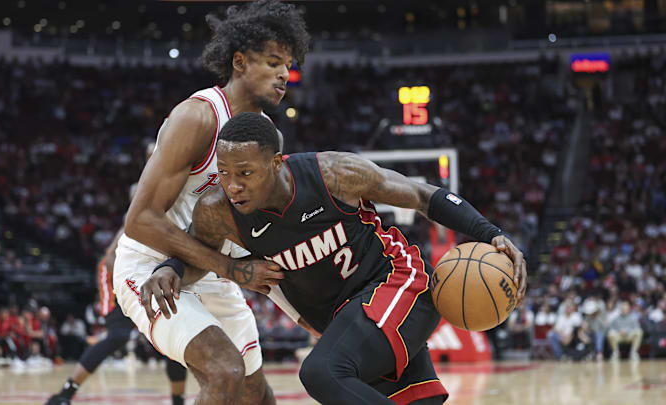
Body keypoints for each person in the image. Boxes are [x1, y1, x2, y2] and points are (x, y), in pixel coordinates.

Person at [141, 112, 527, 404]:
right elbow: (194, 251)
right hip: (346, 317)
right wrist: (170, 268)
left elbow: (423, 197)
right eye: (224, 173)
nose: (233, 184)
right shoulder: (217, 210)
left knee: (323, 372)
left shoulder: (333, 174)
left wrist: (491, 233)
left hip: (396, 283)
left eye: (245, 172)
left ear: (276, 163)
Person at [112, 1, 310, 404]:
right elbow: (139, 220)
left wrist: (309, 309)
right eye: (273, 62)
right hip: (151, 268)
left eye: (286, 65)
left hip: (211, 272)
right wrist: (230, 267)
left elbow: (257, 227)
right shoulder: (197, 117)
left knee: (258, 395)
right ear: (239, 61)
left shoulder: (267, 136)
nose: (283, 75)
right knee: (225, 371)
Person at [46, 146, 188, 405]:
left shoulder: (180, 195)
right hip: (115, 269)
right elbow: (112, 254)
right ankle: (64, 394)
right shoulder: (146, 199)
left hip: (151, 271)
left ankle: (178, 400)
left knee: (173, 338)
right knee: (118, 336)